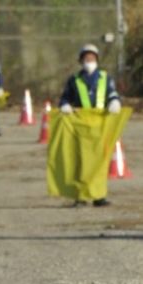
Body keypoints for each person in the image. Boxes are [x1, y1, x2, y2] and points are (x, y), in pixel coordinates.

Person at [58, 44, 123, 208]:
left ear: (97, 60)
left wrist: (115, 101)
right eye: (86, 59)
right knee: (81, 162)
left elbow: (112, 93)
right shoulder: (74, 80)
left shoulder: (105, 78)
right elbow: (65, 98)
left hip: (100, 127)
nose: (89, 61)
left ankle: (99, 196)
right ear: (81, 61)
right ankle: (81, 196)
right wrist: (64, 105)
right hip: (80, 127)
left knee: (100, 163)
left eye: (92, 58)